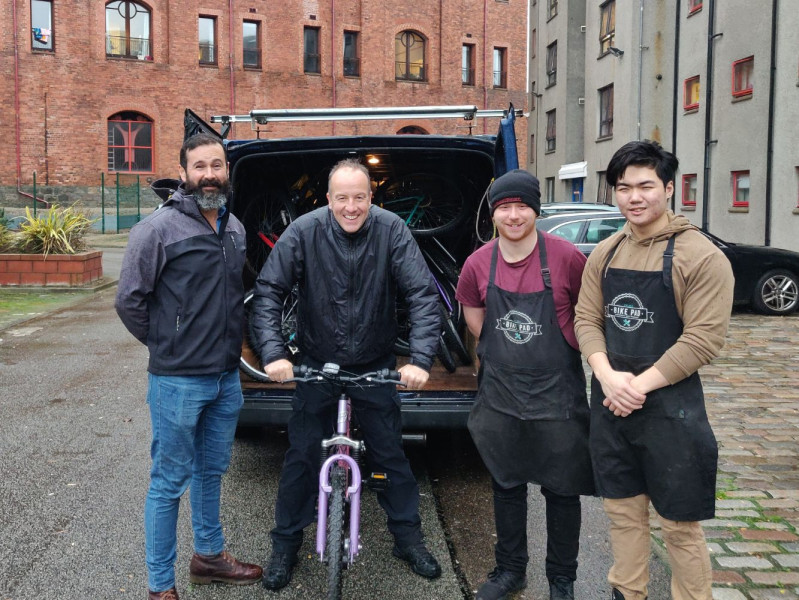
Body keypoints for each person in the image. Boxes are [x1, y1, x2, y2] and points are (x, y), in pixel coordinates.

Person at [249, 158, 444, 591]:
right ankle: (285, 547)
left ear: (371, 198)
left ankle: (408, 540)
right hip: (317, 365)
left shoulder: (392, 229)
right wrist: (274, 354)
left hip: (374, 364)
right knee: (300, 458)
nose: (351, 207)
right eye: (342, 198)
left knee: (391, 456)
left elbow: (422, 296)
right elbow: (268, 292)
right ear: (329, 199)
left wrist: (421, 360)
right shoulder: (304, 231)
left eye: (360, 198)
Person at [574, 141, 734, 600]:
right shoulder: (604, 253)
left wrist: (636, 387)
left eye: (646, 186)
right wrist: (606, 375)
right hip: (610, 404)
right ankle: (628, 593)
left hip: (671, 411)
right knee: (622, 516)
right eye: (624, 188)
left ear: (668, 188)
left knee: (680, 526)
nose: (634, 197)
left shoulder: (701, 257)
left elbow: (703, 339)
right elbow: (588, 319)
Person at [115, 133, 262, 600]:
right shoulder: (157, 230)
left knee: (211, 471)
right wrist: (167, 346)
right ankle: (161, 586)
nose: (209, 174)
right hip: (178, 381)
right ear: (184, 174)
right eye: (199, 166)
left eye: (216, 165)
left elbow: (240, 296)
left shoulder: (234, 228)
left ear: (226, 171)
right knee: (168, 482)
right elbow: (129, 301)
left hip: (225, 378)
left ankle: (209, 557)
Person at [456, 169, 594, 600]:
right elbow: (474, 317)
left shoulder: (567, 257)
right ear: (495, 213)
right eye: (504, 208)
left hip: (558, 392)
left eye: (522, 206)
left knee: (562, 488)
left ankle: (562, 578)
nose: (514, 216)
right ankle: (510, 569)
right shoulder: (480, 261)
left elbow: (589, 314)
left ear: (535, 209)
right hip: (502, 391)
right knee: (506, 484)